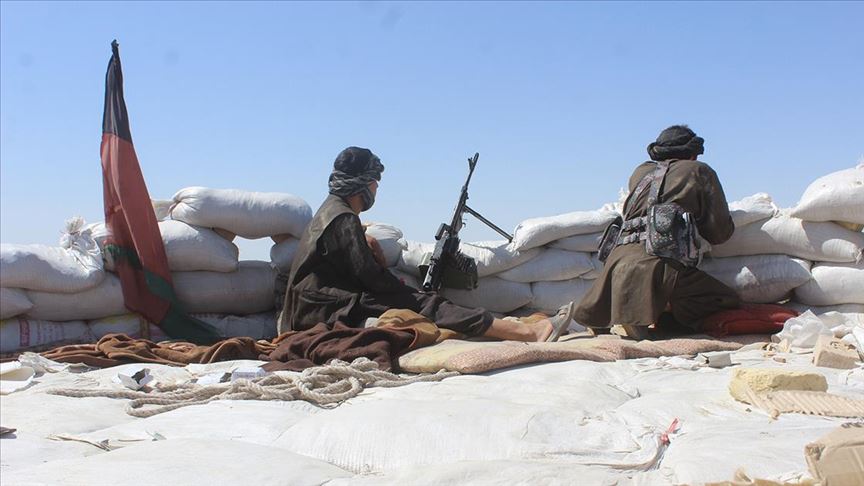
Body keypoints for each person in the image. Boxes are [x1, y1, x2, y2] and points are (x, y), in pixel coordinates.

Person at [277, 146, 574, 342]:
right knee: (429, 305)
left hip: (317, 305)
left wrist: (363, 237)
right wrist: (413, 294)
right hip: (326, 309)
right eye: (375, 182)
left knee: (419, 301)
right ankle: (528, 334)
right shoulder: (343, 219)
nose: (376, 189)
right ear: (363, 184)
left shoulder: (332, 212)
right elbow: (372, 278)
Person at [572, 125, 740, 337]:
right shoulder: (699, 171)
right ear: (692, 154)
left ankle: (630, 315)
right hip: (660, 263)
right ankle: (654, 318)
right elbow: (719, 234)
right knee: (726, 300)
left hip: (615, 262)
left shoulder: (640, 172)